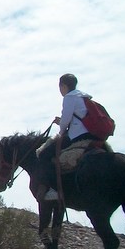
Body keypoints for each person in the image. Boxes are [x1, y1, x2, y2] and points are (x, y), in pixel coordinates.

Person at [35, 73, 100, 201]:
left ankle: (54, 189)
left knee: (43, 154)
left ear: (63, 86)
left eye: (60, 87)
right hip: (90, 134)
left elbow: (65, 121)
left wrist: (61, 129)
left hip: (77, 136)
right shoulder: (83, 97)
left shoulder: (69, 98)